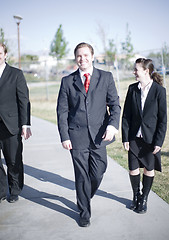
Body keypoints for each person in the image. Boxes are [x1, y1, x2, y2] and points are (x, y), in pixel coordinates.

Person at [57, 42, 121, 227]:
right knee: (81, 175)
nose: (82, 59)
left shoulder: (106, 77)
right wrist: (64, 136)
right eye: (79, 55)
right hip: (76, 137)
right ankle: (84, 213)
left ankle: (84, 195)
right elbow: (62, 111)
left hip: (100, 135)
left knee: (99, 170)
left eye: (85, 55)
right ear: (75, 58)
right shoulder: (67, 81)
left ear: (92, 56)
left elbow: (114, 106)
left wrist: (112, 126)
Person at [122, 58, 167, 214]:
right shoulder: (132, 89)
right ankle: (136, 196)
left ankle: (144, 198)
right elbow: (126, 115)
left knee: (149, 168)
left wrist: (159, 142)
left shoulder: (159, 91)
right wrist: (125, 138)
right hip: (134, 137)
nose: (134, 72)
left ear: (146, 71)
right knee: (133, 168)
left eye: (136, 69)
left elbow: (163, 119)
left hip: (151, 138)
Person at [0, 43, 32, 203]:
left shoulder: (16, 74)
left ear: (5, 54)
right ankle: (1, 190)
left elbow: (24, 100)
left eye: (0, 53)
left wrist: (26, 124)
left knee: (13, 160)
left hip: (10, 125)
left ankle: (15, 190)